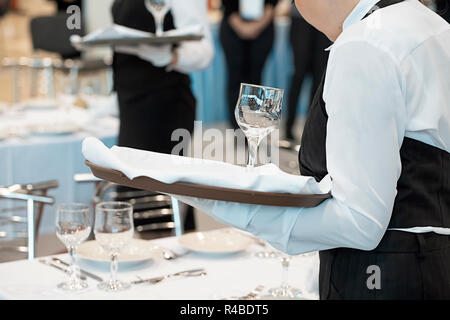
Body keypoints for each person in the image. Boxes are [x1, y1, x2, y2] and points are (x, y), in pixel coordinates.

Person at [174, 0, 450, 299]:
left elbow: (360, 222)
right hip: (433, 264)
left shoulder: (366, 44)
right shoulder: (427, 23)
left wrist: (240, 208)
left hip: (381, 276)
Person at [111, 0, 214, 231]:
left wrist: (169, 56)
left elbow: (204, 52)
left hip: (166, 105)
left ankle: (174, 257)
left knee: (162, 199)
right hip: (132, 106)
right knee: (133, 190)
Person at [220, 0, 278, 128]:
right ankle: (237, 129)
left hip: (264, 26)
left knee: (256, 81)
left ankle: (253, 128)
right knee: (235, 79)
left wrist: (258, 25)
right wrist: (241, 26)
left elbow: (273, 3)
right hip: (232, 24)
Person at [285, 4, 330, 141]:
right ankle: (289, 127)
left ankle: (313, 130)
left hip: (325, 18)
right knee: (298, 74)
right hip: (301, 18)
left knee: (319, 77)